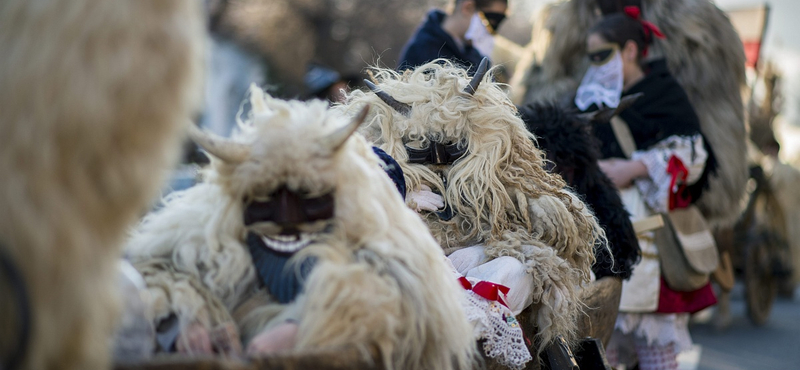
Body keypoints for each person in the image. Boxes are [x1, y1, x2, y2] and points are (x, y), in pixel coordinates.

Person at [579, 7, 718, 370]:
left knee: (655, 354)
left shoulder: (664, 93)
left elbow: (693, 154)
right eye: (591, 57)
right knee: (599, 345)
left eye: (602, 55)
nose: (595, 64)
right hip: (599, 230)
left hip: (650, 233)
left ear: (628, 50)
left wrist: (634, 167)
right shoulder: (589, 98)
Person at [397, 0, 507, 73]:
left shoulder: (475, 56)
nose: (491, 33)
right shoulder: (423, 50)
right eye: (491, 22)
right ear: (467, 7)